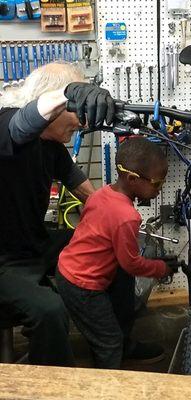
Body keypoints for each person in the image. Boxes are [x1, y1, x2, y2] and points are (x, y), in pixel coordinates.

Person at [0, 61, 114, 366]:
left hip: (34, 244)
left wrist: (114, 218)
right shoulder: (7, 123)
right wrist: (66, 92)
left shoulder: (52, 144)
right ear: (52, 105)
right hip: (5, 259)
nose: (80, 121)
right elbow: (22, 124)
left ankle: (114, 344)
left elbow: (82, 187)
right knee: (50, 311)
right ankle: (53, 386)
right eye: (74, 109)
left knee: (109, 247)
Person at [56, 137, 178, 369]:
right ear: (133, 179)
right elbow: (131, 263)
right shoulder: (127, 217)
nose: (159, 189)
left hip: (69, 270)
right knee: (109, 343)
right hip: (83, 286)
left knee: (123, 287)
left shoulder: (101, 194)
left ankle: (123, 344)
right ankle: (109, 383)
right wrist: (161, 267)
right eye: (157, 184)